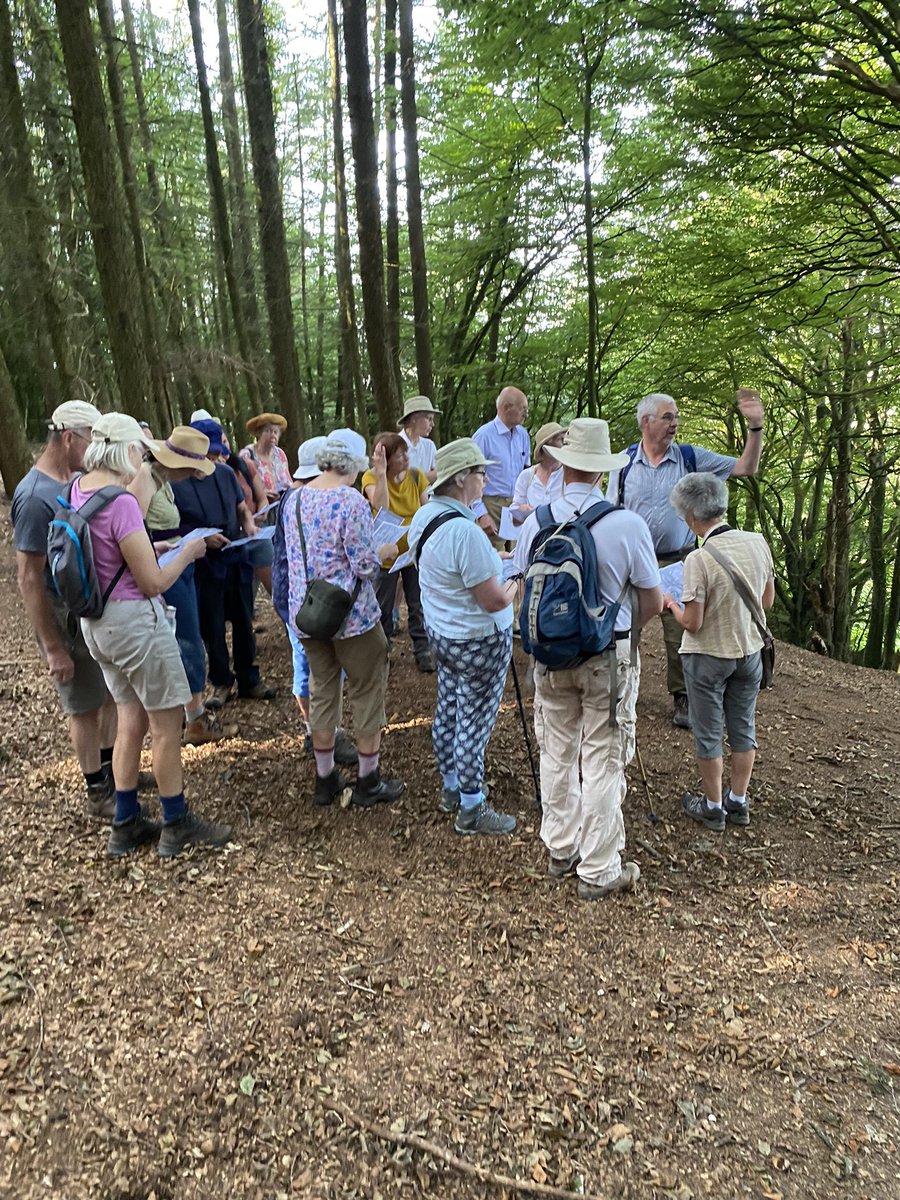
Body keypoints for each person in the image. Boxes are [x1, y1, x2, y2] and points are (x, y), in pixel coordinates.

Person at [70, 412, 231, 857]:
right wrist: (188, 551)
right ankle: (176, 823)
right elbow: (155, 583)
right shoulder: (120, 501)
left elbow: (110, 552)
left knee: (130, 718)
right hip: (134, 623)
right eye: (138, 451)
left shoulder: (79, 491)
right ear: (124, 450)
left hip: (97, 623)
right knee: (165, 725)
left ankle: (125, 822)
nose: (140, 459)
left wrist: (155, 545)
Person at [513, 419, 662, 901]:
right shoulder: (626, 524)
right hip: (607, 655)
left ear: (566, 465)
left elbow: (519, 582)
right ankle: (599, 868)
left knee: (556, 751)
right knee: (601, 757)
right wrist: (616, 622)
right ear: (601, 471)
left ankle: (561, 848)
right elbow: (653, 602)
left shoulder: (536, 520)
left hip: (550, 656)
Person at [606, 388, 764, 731]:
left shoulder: (690, 458)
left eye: (676, 416)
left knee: (680, 633)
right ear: (645, 422)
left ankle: (683, 697)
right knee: (622, 625)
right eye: (668, 417)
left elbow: (745, 467)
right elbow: (610, 512)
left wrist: (755, 427)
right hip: (632, 561)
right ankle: (616, 689)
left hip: (677, 560)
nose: (675, 423)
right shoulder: (623, 462)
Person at [281, 428, 403, 808]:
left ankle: (325, 778)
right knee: (367, 691)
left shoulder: (294, 499)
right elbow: (365, 564)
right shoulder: (349, 501)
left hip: (309, 615)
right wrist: (384, 549)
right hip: (353, 619)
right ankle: (368, 779)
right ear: (352, 465)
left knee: (322, 690)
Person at [11, 400, 119, 820]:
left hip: (89, 609)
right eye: (91, 439)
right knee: (84, 705)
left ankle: (112, 771)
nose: (94, 451)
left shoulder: (73, 480)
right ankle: (97, 792)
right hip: (64, 620)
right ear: (69, 437)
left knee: (109, 694)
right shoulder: (35, 497)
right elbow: (28, 578)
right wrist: (53, 646)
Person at [408, 439, 519, 836]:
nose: (485, 478)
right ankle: (473, 807)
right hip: (478, 640)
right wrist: (514, 583)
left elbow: (450, 573)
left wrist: (497, 562)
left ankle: (451, 786)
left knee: (450, 708)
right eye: (479, 472)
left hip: (444, 635)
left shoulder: (425, 517)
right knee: (474, 721)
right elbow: (492, 600)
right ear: (460, 479)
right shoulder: (466, 533)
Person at [661, 473, 775, 831]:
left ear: (693, 515)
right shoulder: (758, 542)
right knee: (744, 728)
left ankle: (712, 807)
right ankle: (738, 802)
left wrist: (670, 604)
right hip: (749, 653)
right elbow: (766, 601)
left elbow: (692, 623)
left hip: (707, 656)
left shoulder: (699, 558)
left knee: (709, 733)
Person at [172, 418, 276, 709]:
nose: (214, 458)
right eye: (208, 453)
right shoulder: (176, 482)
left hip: (235, 554)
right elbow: (172, 527)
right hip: (204, 562)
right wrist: (202, 539)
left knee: (244, 619)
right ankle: (220, 681)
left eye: (217, 452)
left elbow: (241, 507)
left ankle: (249, 679)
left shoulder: (225, 473)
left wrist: (250, 527)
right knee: (212, 624)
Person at [137, 425, 231, 746]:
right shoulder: (145, 479)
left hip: (180, 562)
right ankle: (192, 718)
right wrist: (162, 550)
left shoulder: (164, 482)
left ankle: (191, 714)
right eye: (192, 466)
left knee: (191, 635)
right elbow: (132, 532)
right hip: (165, 569)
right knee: (186, 639)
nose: (194, 473)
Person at [279, 436, 357, 767]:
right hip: (307, 600)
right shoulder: (306, 497)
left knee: (315, 668)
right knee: (312, 669)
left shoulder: (295, 497)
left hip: (300, 596)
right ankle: (321, 733)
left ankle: (321, 733)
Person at [361, 432, 434, 671]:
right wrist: (382, 473)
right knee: (382, 605)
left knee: (418, 603)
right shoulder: (370, 477)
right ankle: (382, 652)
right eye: (399, 452)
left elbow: (426, 510)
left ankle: (423, 651)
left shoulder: (416, 476)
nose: (406, 456)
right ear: (386, 457)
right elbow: (380, 507)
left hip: (412, 552)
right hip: (384, 553)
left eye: (406, 451)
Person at [471, 386, 530, 548]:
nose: (526, 413)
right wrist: (481, 514)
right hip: (492, 504)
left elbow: (526, 472)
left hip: (517, 505)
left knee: (517, 556)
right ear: (506, 407)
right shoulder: (483, 436)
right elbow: (471, 478)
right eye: (522, 408)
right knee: (492, 558)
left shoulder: (523, 435)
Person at [511, 422, 566, 522]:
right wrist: (522, 509)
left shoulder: (568, 474)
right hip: (533, 534)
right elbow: (515, 509)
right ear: (546, 445)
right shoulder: (527, 475)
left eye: (564, 439)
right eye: (560, 439)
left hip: (560, 533)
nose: (564, 443)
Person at [240, 412, 293, 502]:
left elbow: (288, 483)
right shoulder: (247, 455)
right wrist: (261, 494)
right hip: (260, 508)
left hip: (280, 505)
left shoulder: (280, 454)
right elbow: (241, 486)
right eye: (268, 431)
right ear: (258, 433)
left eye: (276, 432)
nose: (273, 435)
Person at [398, 396, 440, 483]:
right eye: (429, 419)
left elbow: (439, 474)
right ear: (414, 419)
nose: (432, 424)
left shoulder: (429, 445)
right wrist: (428, 476)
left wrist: (412, 477)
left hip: (428, 496)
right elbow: (397, 480)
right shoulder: (395, 445)